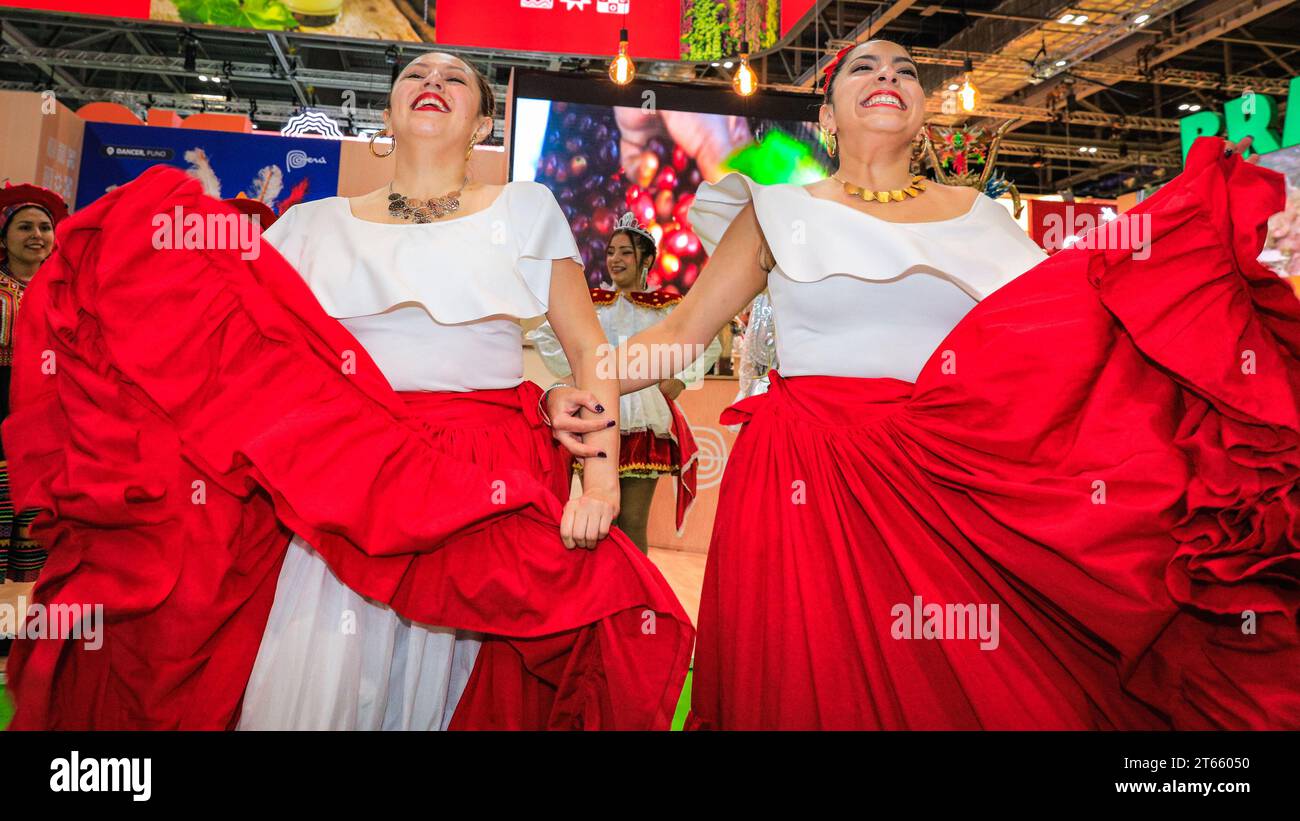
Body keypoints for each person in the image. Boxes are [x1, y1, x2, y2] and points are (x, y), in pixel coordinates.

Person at [560, 39, 1300, 729]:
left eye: (907, 70)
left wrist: (1182, 271)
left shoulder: (980, 218)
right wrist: (581, 386)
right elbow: (676, 337)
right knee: (810, 680)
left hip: (949, 485)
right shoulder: (778, 211)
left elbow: (1078, 325)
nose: (889, 76)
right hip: (804, 483)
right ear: (825, 115)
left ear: (922, 108)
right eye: (864, 68)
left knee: (974, 684)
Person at [0, 52, 693, 730]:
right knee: (328, 676)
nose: (432, 82)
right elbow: (250, 355)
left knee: (470, 676)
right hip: (346, 480)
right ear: (388, 114)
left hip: (480, 476)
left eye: (455, 78)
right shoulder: (309, 226)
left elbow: (587, 349)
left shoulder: (525, 208)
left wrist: (599, 484)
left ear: (483, 124)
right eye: (414, 76)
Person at [529, 213, 721, 551]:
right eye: (611, 252)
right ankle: (597, 599)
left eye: (626, 253)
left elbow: (707, 343)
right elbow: (547, 336)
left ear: (646, 259)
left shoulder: (665, 309)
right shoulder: (592, 304)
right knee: (595, 520)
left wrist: (679, 378)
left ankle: (635, 601)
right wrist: (577, 376)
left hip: (642, 420)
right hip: (594, 413)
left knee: (631, 522)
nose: (615, 260)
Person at [0, 182, 68, 588]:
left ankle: (19, 622)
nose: (37, 236)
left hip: (50, 426)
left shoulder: (70, 291)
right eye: (24, 227)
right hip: (1, 417)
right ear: (4, 237)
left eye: (44, 227)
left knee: (36, 530)